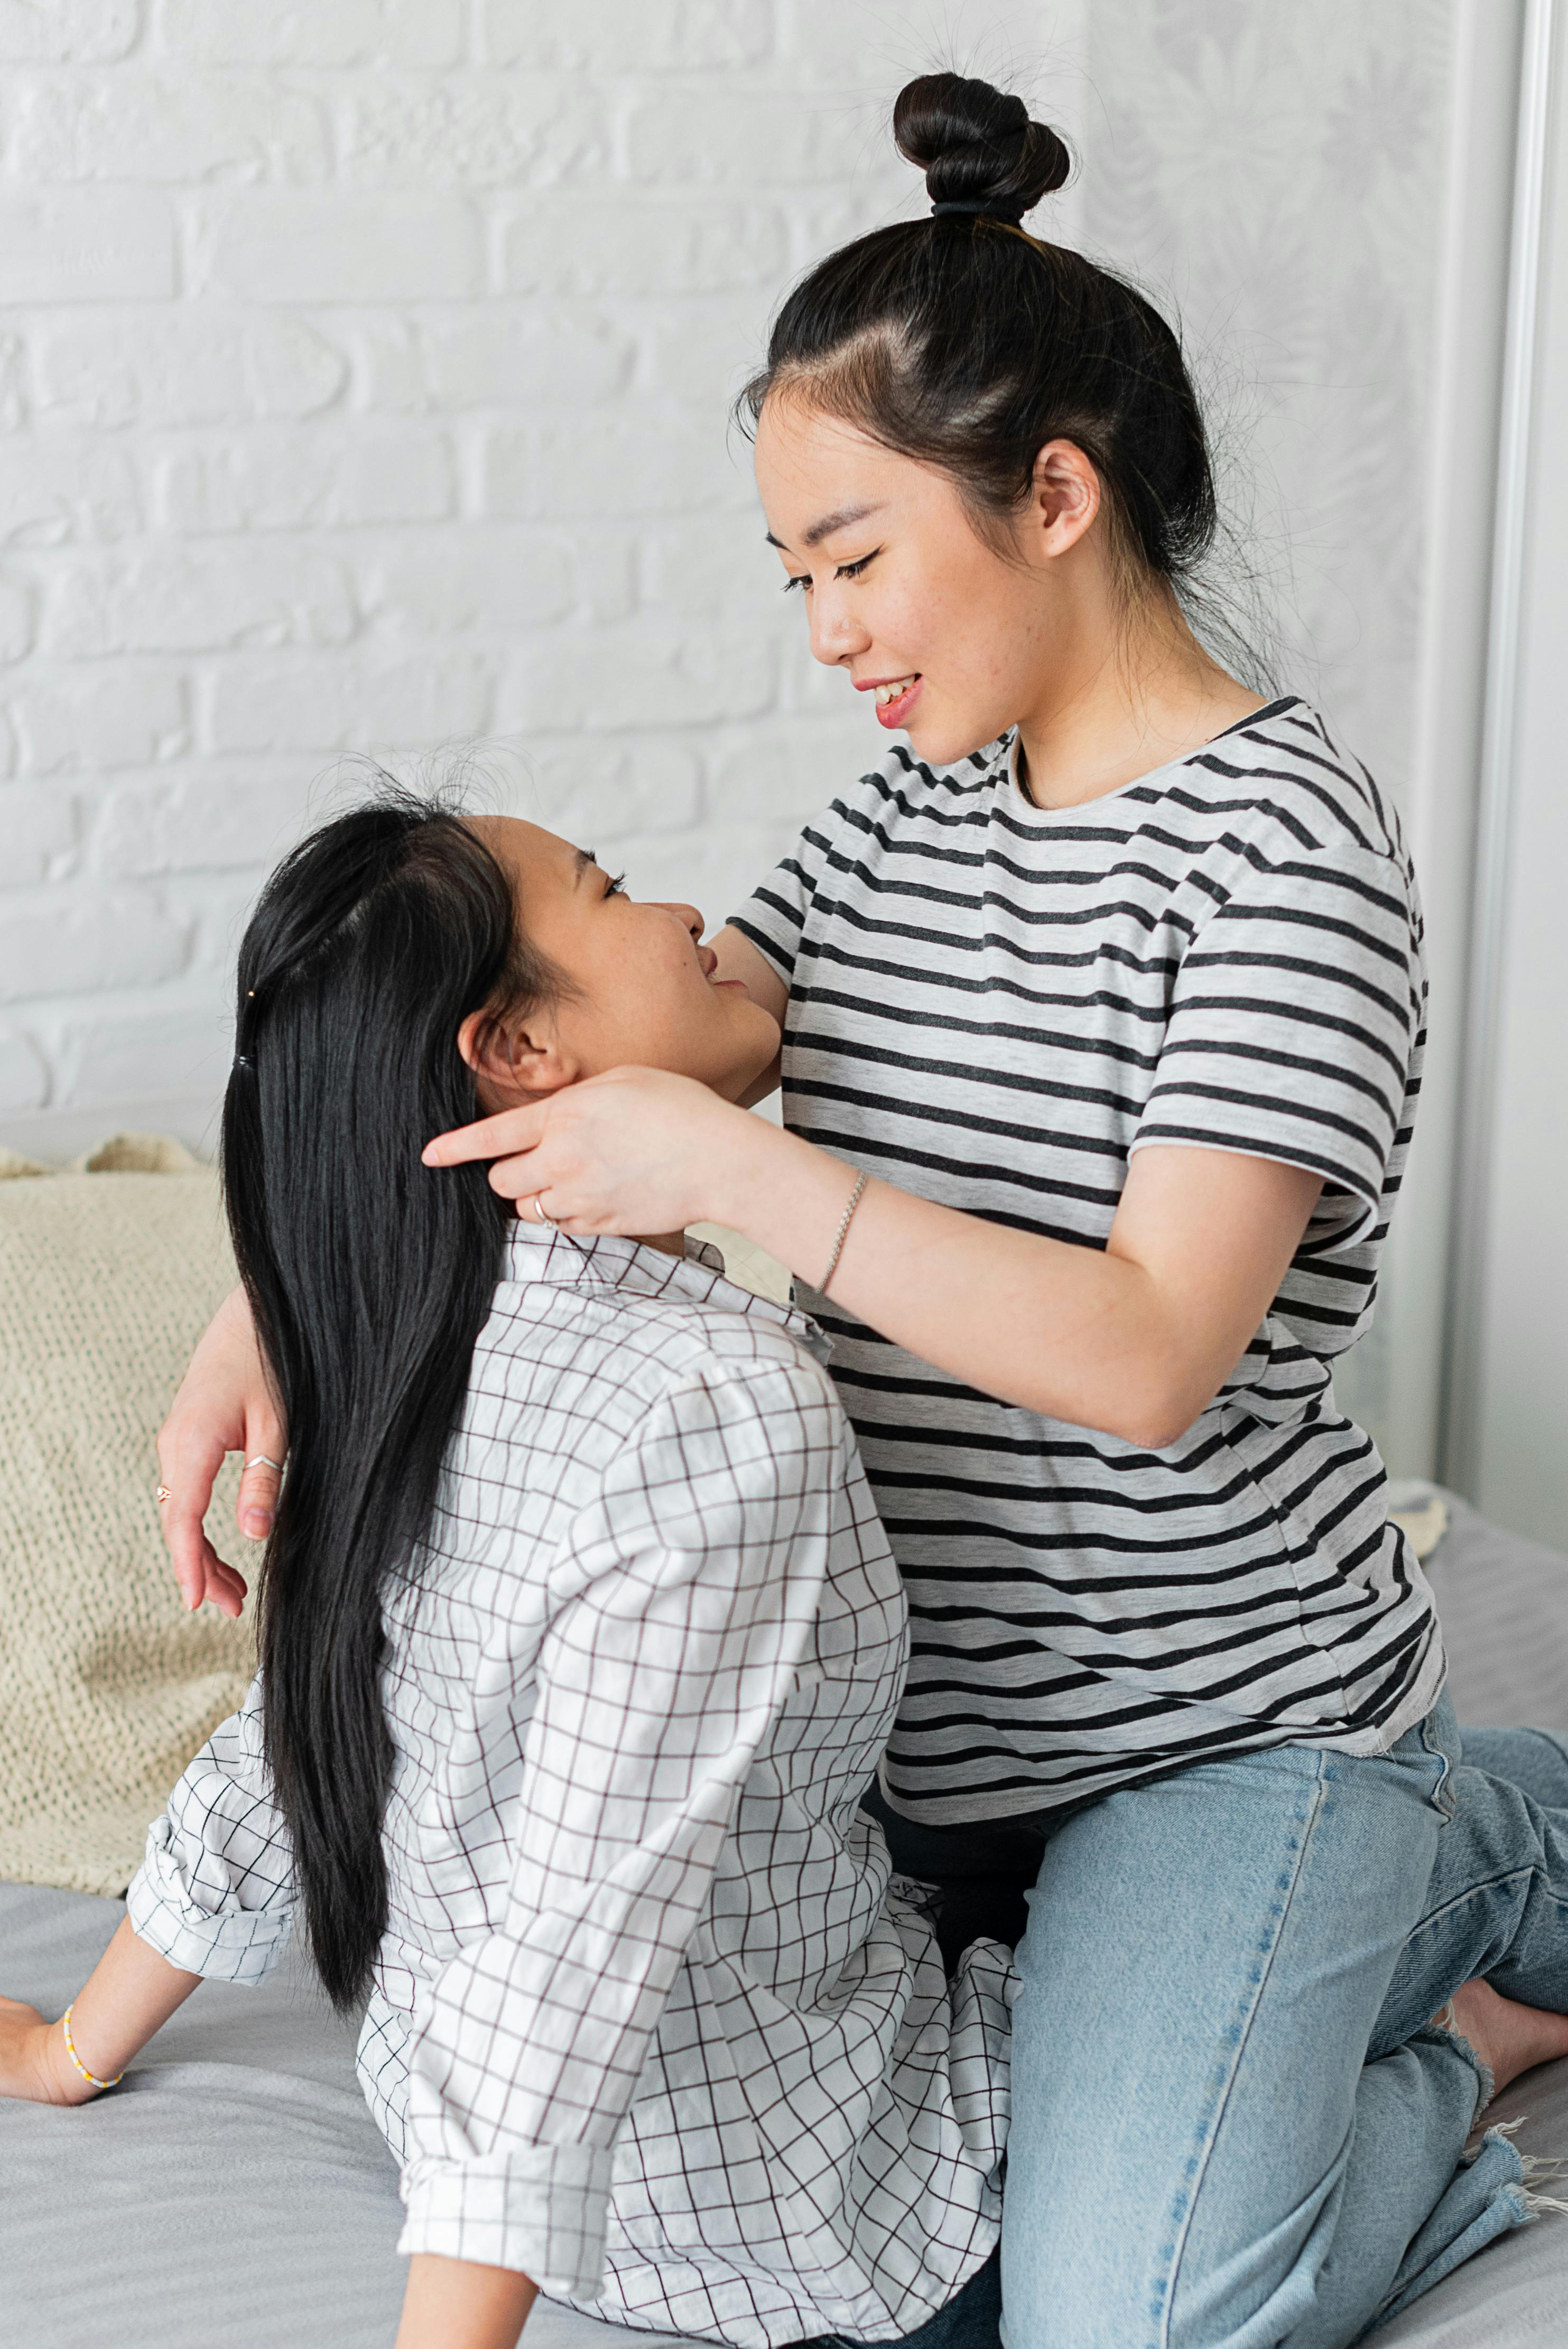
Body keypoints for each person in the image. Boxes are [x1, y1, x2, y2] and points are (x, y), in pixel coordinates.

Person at [146, 75, 1568, 2349]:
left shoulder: (1280, 856)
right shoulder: (916, 812)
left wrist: (752, 1178)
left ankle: (1480, 1884)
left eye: (852, 554)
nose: (825, 632)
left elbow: (1144, 1352)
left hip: (1209, 1745)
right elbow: (606, 1028)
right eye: (792, 575)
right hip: (918, 1775)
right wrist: (272, 1288)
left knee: (1131, 2321)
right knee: (880, 2275)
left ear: (1056, 496)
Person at [0, 797, 1016, 2349]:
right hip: (813, 2222)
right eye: (612, 889)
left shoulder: (404, 1336)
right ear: (520, 1052)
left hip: (486, 2153)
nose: (690, 919)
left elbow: (297, 1750)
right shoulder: (709, 1408)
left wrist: (79, 2047)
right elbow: (572, 1950)